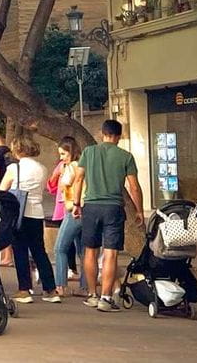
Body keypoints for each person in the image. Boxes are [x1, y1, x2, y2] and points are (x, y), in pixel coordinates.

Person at [73, 118, 143, 313]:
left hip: (91, 207)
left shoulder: (88, 152)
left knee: (90, 251)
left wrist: (77, 203)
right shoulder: (126, 156)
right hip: (113, 208)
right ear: (119, 136)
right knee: (111, 252)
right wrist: (139, 210)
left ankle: (92, 294)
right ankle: (106, 297)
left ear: (102, 134)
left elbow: (78, 179)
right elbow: (134, 187)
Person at [0, 136, 58, 303]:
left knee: (20, 251)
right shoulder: (42, 168)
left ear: (18, 150)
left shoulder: (14, 168)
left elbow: (3, 189)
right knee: (39, 251)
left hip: (20, 213)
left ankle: (24, 289)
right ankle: (50, 289)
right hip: (37, 213)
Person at [52, 136, 88, 299]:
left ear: (71, 152)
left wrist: (61, 172)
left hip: (73, 210)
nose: (61, 158)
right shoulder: (82, 164)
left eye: (63, 154)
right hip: (85, 209)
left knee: (60, 248)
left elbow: (65, 184)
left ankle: (61, 285)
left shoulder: (71, 167)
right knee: (83, 250)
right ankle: (85, 286)